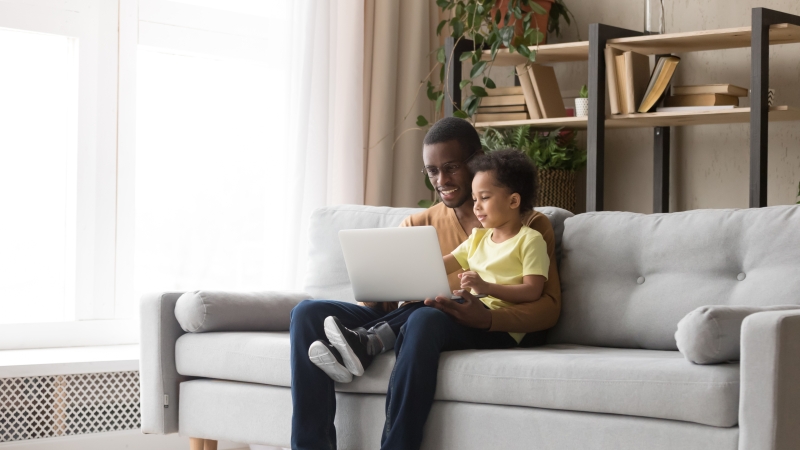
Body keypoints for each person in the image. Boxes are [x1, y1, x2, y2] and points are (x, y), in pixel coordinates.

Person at [289, 117, 561, 450]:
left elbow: (548, 307)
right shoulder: (419, 223)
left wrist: (489, 318)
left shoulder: (530, 226)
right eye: (432, 171)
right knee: (307, 314)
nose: (441, 181)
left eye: (451, 168)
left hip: (464, 320)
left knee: (424, 316)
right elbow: (386, 304)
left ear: (477, 161)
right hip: (411, 315)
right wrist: (376, 287)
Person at [310, 149, 549, 383]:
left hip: (500, 327)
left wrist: (486, 286)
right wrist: (390, 271)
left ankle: (364, 342)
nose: (476, 206)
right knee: (425, 304)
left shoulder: (530, 239)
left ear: (514, 200)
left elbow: (533, 290)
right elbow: (437, 266)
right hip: (473, 310)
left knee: (429, 313)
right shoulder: (478, 238)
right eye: (475, 199)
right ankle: (363, 342)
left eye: (484, 198)